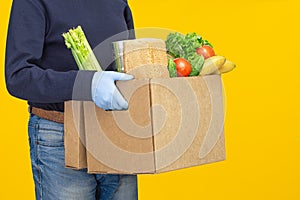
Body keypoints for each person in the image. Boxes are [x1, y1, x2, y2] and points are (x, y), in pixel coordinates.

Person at [5, 0, 138, 199]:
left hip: (115, 133)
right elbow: (18, 77)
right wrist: (86, 84)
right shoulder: (32, 2)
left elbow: (131, 62)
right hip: (60, 136)